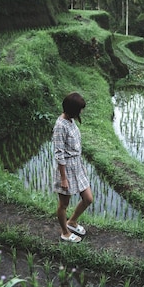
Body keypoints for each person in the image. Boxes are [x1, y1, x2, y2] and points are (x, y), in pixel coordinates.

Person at [53, 92, 93, 242]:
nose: (81, 112)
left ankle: (72, 222)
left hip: (77, 165)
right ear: (72, 110)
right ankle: (65, 232)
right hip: (66, 168)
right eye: (80, 109)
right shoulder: (59, 126)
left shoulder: (71, 120)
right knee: (64, 204)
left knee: (88, 199)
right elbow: (59, 154)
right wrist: (63, 178)